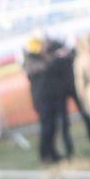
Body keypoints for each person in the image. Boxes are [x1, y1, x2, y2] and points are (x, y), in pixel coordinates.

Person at [23, 35, 68, 163]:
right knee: (46, 129)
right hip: (42, 101)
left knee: (52, 128)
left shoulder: (42, 58)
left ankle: (53, 154)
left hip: (50, 98)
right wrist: (54, 58)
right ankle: (45, 155)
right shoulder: (31, 62)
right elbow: (43, 67)